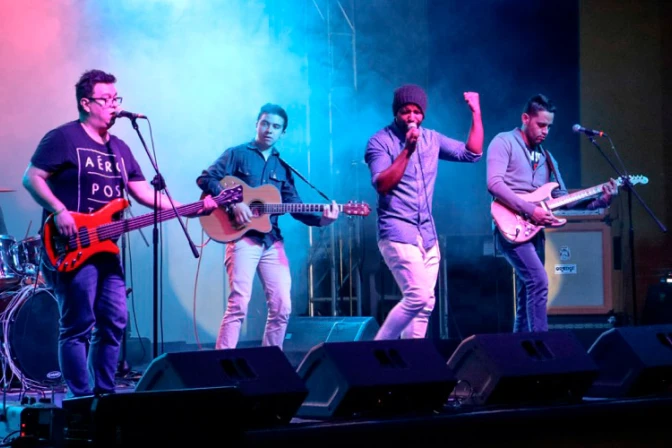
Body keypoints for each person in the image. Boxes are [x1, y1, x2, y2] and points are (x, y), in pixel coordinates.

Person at [22, 69, 218, 397]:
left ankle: (104, 394)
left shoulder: (121, 148)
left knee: (114, 321)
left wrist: (188, 207)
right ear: (86, 103)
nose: (114, 105)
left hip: (106, 249)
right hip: (70, 246)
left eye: (117, 99)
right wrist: (59, 210)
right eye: (106, 99)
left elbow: (143, 192)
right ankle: (81, 400)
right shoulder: (64, 138)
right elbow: (32, 177)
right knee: (78, 326)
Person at [196, 103, 340, 350]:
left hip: (272, 241)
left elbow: (295, 206)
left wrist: (321, 220)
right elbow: (205, 178)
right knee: (239, 303)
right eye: (265, 124)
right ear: (256, 124)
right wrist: (234, 204)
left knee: (283, 306)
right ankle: (219, 365)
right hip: (242, 238)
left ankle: (271, 364)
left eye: (275, 126)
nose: (269, 130)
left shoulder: (283, 168)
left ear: (282, 133)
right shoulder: (237, 154)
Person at [486, 93, 618, 333]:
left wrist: (600, 200)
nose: (545, 131)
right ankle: (541, 346)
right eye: (541, 125)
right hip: (509, 226)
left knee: (528, 292)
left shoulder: (548, 158)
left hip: (534, 231)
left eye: (549, 126)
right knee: (538, 282)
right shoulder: (503, 141)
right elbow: (494, 184)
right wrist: (531, 210)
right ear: (525, 118)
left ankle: (521, 355)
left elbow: (564, 202)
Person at [364, 84, 484, 340]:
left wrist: (476, 112)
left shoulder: (432, 139)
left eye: (417, 112)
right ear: (396, 113)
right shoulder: (380, 141)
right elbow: (382, 184)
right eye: (405, 111)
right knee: (418, 296)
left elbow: (472, 153)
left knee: (425, 305)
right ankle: (375, 352)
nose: (411, 117)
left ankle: (411, 369)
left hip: (427, 235)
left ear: (423, 114)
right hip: (397, 231)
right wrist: (407, 149)